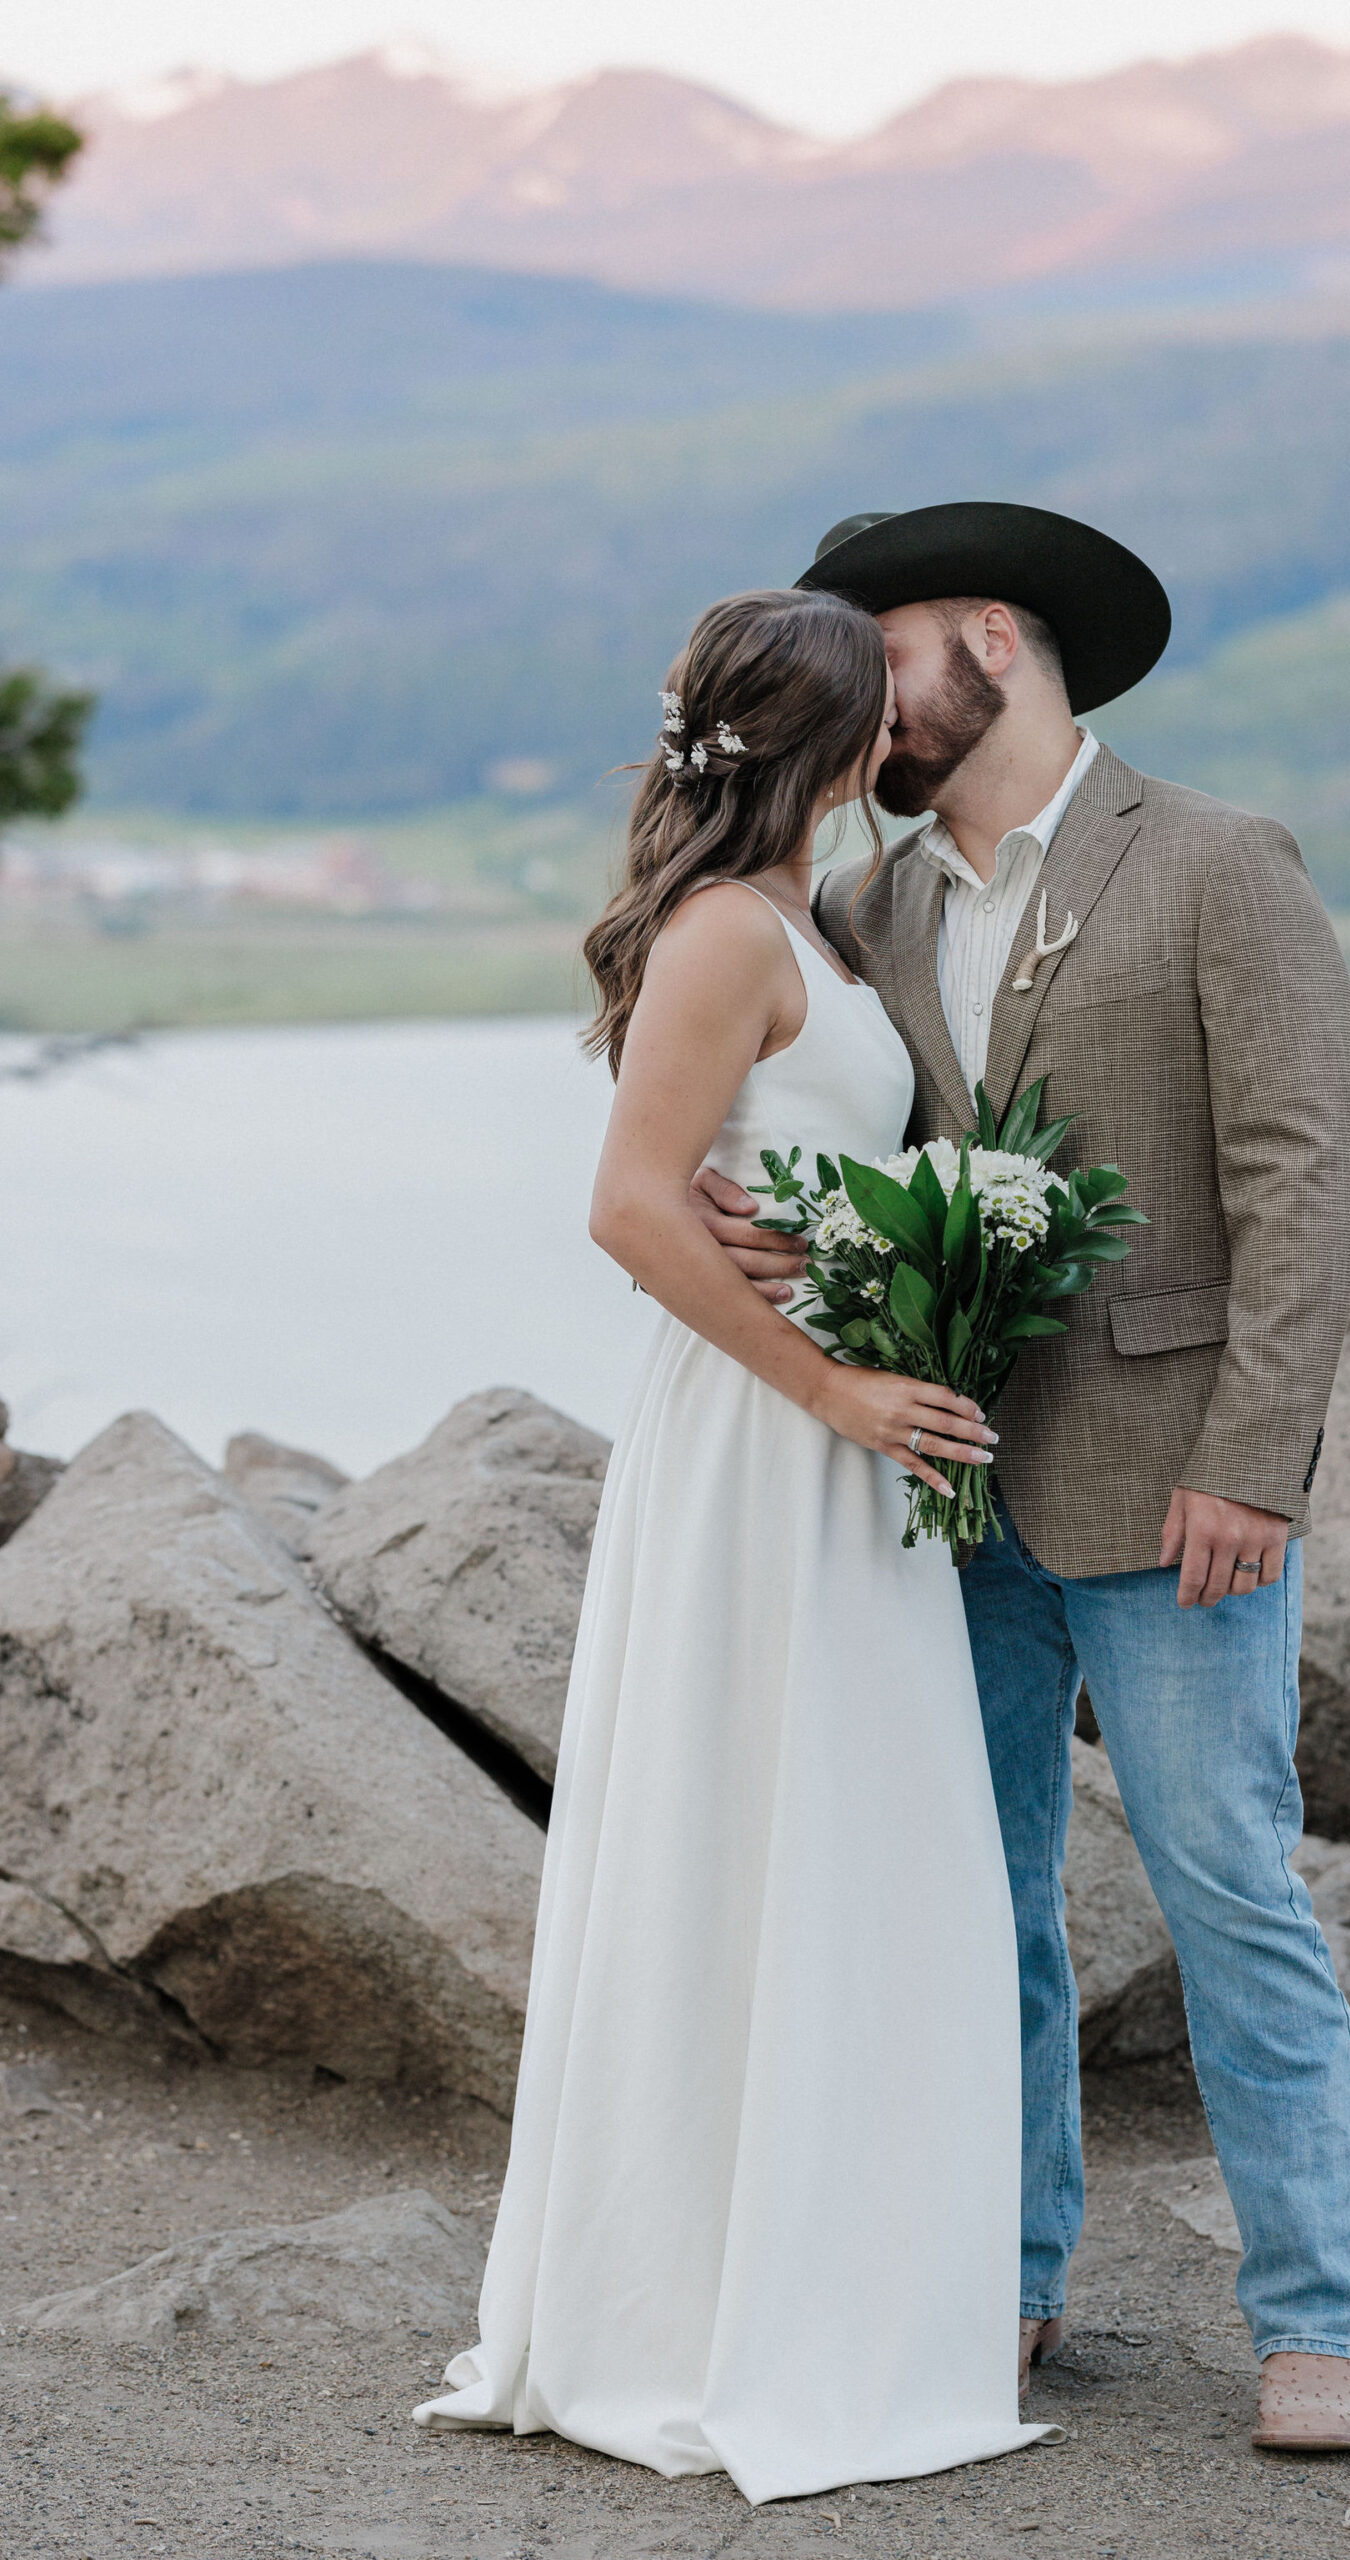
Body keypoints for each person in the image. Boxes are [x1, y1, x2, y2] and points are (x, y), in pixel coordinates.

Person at [692, 503, 1350, 2455]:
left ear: (990, 636)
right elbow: (832, 1138)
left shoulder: (1216, 861)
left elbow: (1301, 1170)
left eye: (883, 647)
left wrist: (1254, 1460)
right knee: (973, 1897)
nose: (859, 693)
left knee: (1226, 1883)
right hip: (943, 1488)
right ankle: (1003, 2278)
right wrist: (778, 1235)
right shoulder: (871, 910)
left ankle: (1311, 2316)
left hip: (1179, 1499)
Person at [414, 586, 1054, 2502]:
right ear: (842, 744)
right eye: (888, 716)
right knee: (751, 1841)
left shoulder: (806, 923)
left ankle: (839, 2288)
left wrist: (904, 1231)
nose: (908, 741)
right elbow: (627, 1205)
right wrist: (836, 1386)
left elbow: (769, 1169)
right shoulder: (720, 934)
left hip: (841, 1448)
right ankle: (706, 2321)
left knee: (854, 1854)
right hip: (774, 1450)